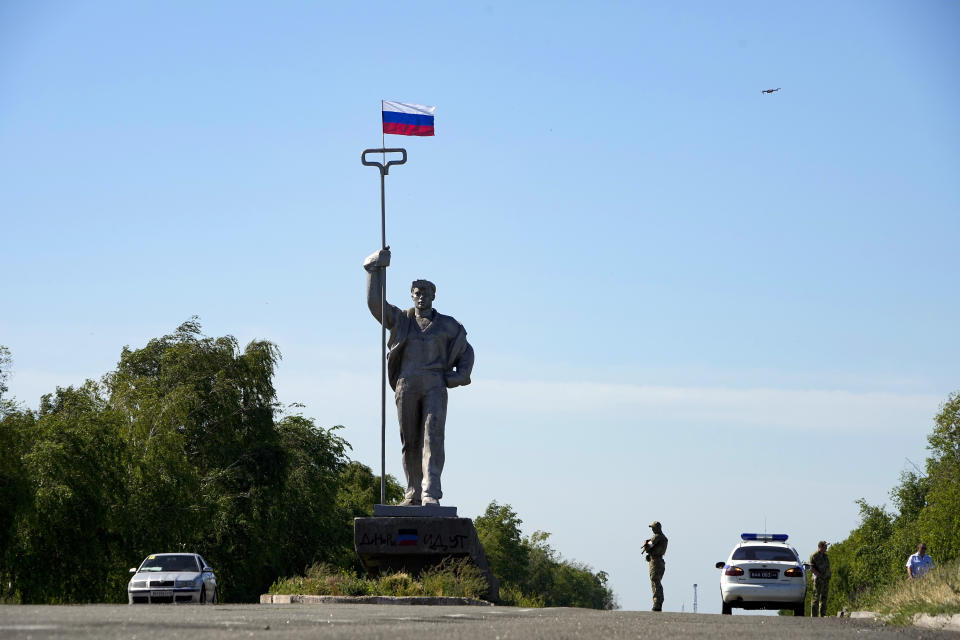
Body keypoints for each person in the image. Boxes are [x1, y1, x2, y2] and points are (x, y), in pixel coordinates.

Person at [364, 248, 474, 506]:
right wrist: (374, 270)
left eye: (425, 294)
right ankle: (413, 490)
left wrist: (461, 375)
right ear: (411, 296)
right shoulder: (402, 320)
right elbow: (375, 305)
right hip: (407, 383)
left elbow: (466, 351)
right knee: (410, 440)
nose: (421, 298)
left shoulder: (448, 325)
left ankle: (430, 492)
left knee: (432, 436)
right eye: (416, 294)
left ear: (434, 296)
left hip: (434, 384)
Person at [643, 521, 668, 611]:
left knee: (655, 580)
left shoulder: (657, 537)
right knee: (656, 581)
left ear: (657, 528)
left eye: (653, 528)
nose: (652, 529)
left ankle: (657, 602)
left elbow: (648, 546)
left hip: (655, 561)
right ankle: (658, 602)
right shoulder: (664, 538)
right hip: (660, 561)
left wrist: (646, 544)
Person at [808, 540, 831, 617]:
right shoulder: (814, 555)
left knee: (824, 598)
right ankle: (814, 616)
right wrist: (819, 575)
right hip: (818, 580)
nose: (826, 548)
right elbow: (811, 568)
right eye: (825, 546)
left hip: (826, 580)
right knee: (816, 598)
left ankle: (822, 615)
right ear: (820, 547)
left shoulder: (825, 556)